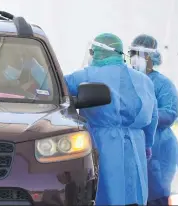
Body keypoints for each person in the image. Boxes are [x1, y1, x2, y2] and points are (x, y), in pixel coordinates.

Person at [64, 33, 158, 206]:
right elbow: (153, 117)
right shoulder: (144, 80)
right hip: (135, 144)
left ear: (97, 52)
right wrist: (147, 144)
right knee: (133, 191)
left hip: (102, 141)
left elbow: (56, 89)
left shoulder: (85, 76)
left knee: (105, 191)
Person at [129, 34, 178, 205]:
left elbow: (170, 113)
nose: (134, 59)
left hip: (159, 147)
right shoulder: (128, 80)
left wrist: (144, 116)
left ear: (151, 57)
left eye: (140, 54)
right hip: (134, 144)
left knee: (156, 195)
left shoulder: (163, 84)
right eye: (132, 53)